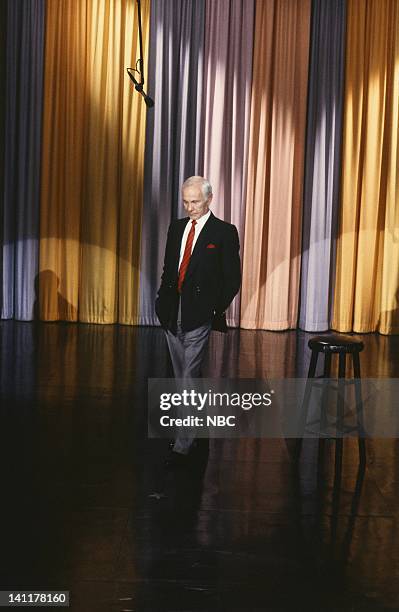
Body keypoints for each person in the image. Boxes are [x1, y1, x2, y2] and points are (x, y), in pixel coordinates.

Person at [155, 176, 241, 467]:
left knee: (189, 376)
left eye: (196, 202)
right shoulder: (177, 227)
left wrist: (212, 309)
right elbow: (169, 269)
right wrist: (161, 302)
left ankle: (184, 440)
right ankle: (194, 427)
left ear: (209, 199)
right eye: (186, 201)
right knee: (181, 377)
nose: (190, 207)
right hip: (171, 311)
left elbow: (232, 279)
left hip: (199, 314)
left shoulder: (224, 232)